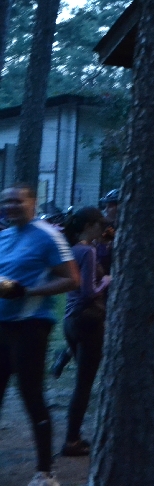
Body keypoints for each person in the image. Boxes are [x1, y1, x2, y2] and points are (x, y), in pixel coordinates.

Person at [0, 184, 80, 486]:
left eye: (17, 201)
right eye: (6, 201)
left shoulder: (48, 235)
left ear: (32, 203)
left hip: (30, 325)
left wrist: (28, 291)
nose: (11, 206)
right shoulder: (4, 236)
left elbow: (72, 280)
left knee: (31, 395)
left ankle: (45, 472)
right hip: (2, 326)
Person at [59, 207, 111, 457]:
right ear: (89, 226)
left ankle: (73, 436)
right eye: (100, 225)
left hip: (71, 320)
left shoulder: (73, 249)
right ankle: (72, 440)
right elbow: (89, 291)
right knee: (84, 384)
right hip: (89, 320)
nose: (103, 229)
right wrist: (107, 281)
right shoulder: (88, 251)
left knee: (82, 382)